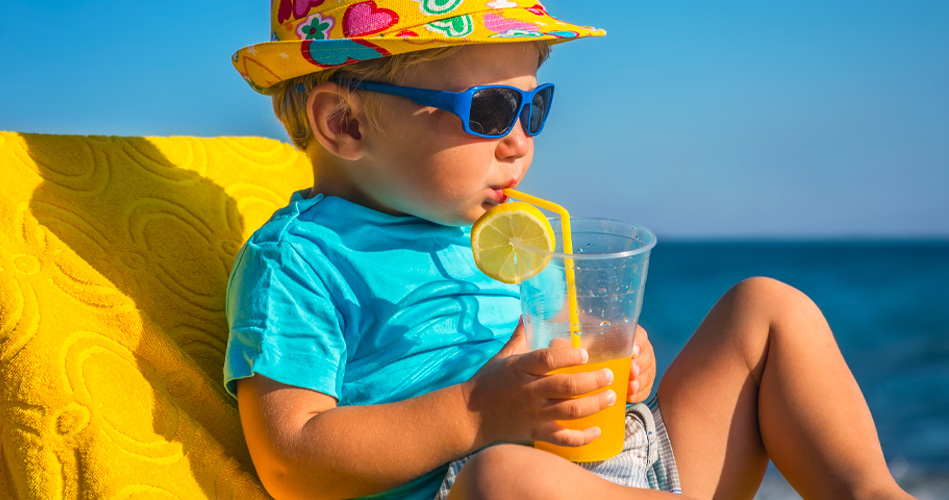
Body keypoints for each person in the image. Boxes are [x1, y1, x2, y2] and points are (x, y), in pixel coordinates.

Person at [224, 1, 916, 499]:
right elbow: (292, 461)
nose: (520, 140)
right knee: (506, 477)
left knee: (764, 307)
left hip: (628, 465)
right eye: (489, 111)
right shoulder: (303, 259)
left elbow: (557, 353)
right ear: (344, 122)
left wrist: (621, 363)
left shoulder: (522, 232)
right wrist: (478, 412)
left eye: (533, 109)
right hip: (481, 485)